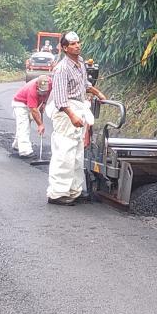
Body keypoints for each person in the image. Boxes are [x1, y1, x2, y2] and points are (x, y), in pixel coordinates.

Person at [45, 31, 105, 204]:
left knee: (77, 153)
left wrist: (98, 93)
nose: (77, 46)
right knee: (64, 152)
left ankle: (73, 190)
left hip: (79, 107)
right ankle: (57, 193)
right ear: (65, 48)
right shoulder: (62, 68)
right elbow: (60, 98)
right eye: (72, 44)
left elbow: (84, 84)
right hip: (66, 112)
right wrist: (71, 115)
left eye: (78, 42)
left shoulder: (80, 62)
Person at [10, 74, 51, 157]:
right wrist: (40, 125)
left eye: (44, 91)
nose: (43, 93)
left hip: (30, 104)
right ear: (37, 85)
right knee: (24, 126)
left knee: (23, 126)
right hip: (20, 104)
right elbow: (34, 110)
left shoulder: (50, 83)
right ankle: (25, 151)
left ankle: (17, 145)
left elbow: (48, 93)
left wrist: (44, 103)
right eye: (41, 91)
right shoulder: (32, 90)